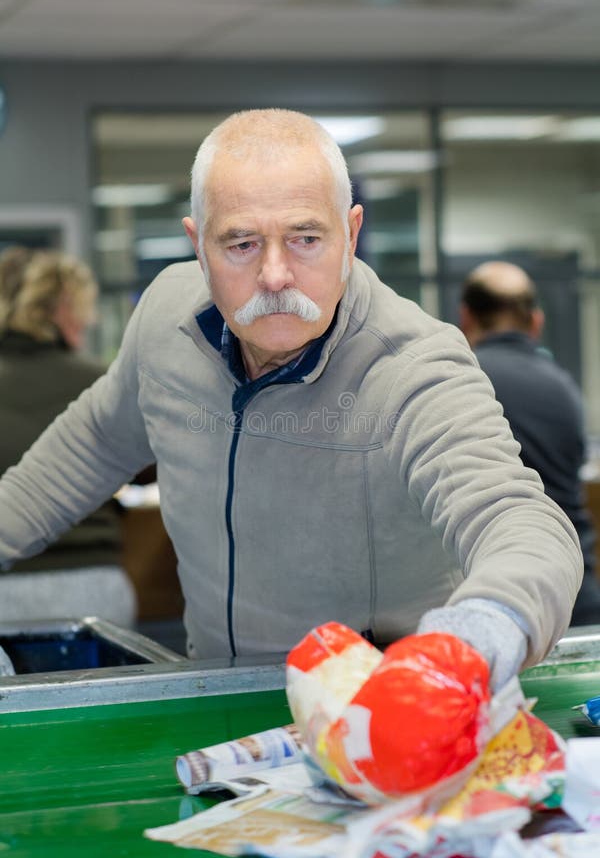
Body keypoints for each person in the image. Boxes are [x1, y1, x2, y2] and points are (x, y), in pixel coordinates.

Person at [0, 110, 583, 690]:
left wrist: (481, 629)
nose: (275, 275)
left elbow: (518, 522)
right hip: (211, 694)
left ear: (351, 235)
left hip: (375, 710)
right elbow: (88, 448)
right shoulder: (164, 322)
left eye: (305, 239)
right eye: (242, 244)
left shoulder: (413, 367)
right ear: (198, 245)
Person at [0, 246, 137, 628]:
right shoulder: (101, 382)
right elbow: (150, 464)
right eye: (82, 311)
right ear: (62, 310)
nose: (88, 321)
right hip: (92, 582)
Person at [460, 260, 600, 625]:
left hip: (504, 605)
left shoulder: (461, 383)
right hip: (577, 595)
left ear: (466, 318)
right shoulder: (565, 388)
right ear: (536, 321)